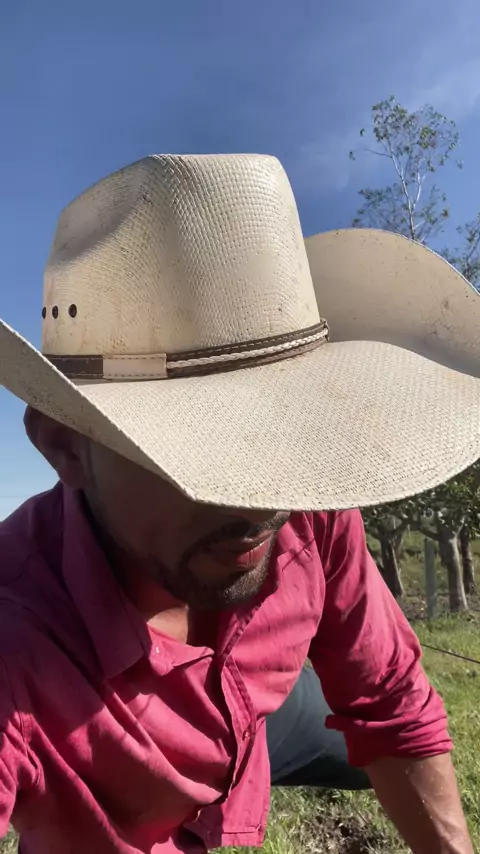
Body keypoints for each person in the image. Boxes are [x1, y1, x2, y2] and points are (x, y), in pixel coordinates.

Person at [0, 153, 479, 854]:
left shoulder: (304, 501)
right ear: (66, 447)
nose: (261, 504)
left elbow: (389, 700)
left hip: (264, 719)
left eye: (283, 430)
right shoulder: (17, 637)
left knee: (349, 742)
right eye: (197, 455)